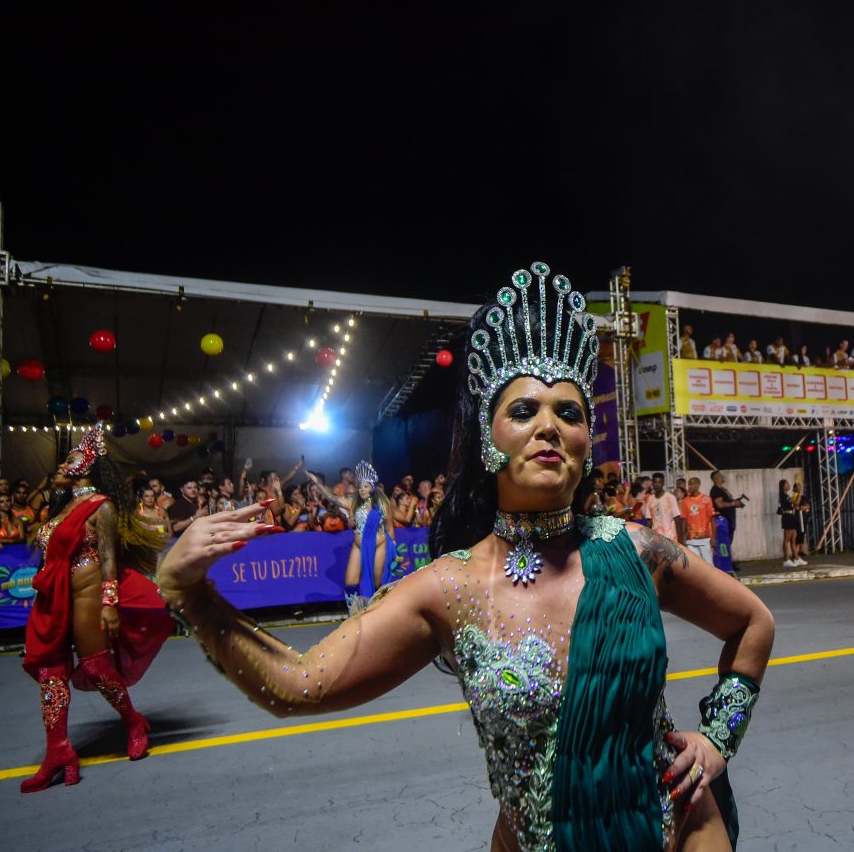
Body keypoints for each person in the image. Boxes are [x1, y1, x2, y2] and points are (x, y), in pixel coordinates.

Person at [158, 263, 774, 851]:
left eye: (569, 413)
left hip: (679, 832)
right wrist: (190, 594)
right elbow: (300, 684)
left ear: (587, 442)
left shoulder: (637, 551)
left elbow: (753, 623)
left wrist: (719, 737)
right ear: (488, 438)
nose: (549, 427)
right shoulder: (448, 588)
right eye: (524, 410)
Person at [20, 424, 172, 792]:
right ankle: (58, 752)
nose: (60, 465)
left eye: (68, 459)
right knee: (50, 674)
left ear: (86, 465)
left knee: (96, 668)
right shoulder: (59, 509)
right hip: (53, 598)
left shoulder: (100, 506)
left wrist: (109, 604)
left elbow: (108, 558)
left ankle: (133, 721)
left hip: (88, 593)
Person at [308, 461, 395, 615]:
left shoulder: (382, 504)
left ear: (372, 487)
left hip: (379, 545)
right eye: (360, 486)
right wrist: (317, 483)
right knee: (350, 583)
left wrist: (394, 548)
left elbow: (389, 527)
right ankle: (354, 616)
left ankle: (380, 614)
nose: (362, 489)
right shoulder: (353, 504)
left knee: (376, 582)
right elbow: (333, 498)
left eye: (365, 486)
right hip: (359, 546)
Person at [709, 471, 745, 570]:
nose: (723, 476)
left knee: (728, 543)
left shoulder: (723, 489)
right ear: (716, 478)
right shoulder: (716, 490)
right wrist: (733, 504)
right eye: (720, 475)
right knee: (723, 544)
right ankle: (723, 566)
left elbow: (728, 502)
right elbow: (719, 504)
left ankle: (727, 563)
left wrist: (736, 503)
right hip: (722, 522)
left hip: (728, 521)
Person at [679, 477, 717, 565]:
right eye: (689, 484)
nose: (689, 486)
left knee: (708, 565)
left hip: (705, 538)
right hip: (691, 540)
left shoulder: (706, 499)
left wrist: (713, 537)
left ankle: (709, 579)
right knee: (696, 566)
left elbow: (712, 519)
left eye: (692, 484)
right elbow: (684, 520)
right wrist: (683, 538)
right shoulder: (685, 501)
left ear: (697, 485)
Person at [777, 479, 805, 567]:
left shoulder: (787, 495)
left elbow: (795, 504)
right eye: (787, 484)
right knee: (787, 539)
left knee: (793, 538)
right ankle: (786, 560)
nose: (789, 485)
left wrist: (797, 495)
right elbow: (796, 502)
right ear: (783, 486)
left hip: (791, 517)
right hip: (787, 518)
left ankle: (796, 558)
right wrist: (800, 493)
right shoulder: (783, 495)